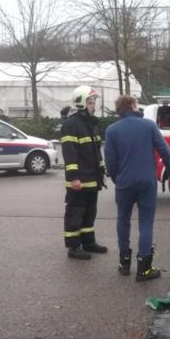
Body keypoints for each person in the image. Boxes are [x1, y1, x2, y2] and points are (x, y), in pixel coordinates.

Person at [104, 95, 170, 282]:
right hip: (146, 182)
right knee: (145, 223)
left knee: (123, 219)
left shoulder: (111, 130)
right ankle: (144, 268)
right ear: (132, 106)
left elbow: (110, 161)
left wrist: (116, 178)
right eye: (136, 104)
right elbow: (165, 151)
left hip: (124, 183)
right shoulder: (149, 126)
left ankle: (124, 263)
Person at [60, 85, 108, 260]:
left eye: (94, 101)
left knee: (90, 212)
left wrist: (102, 170)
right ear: (81, 103)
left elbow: (96, 151)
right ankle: (73, 247)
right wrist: (73, 178)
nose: (93, 104)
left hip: (92, 179)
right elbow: (69, 154)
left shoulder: (91, 124)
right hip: (79, 181)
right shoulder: (71, 125)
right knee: (75, 213)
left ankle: (88, 242)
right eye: (90, 101)